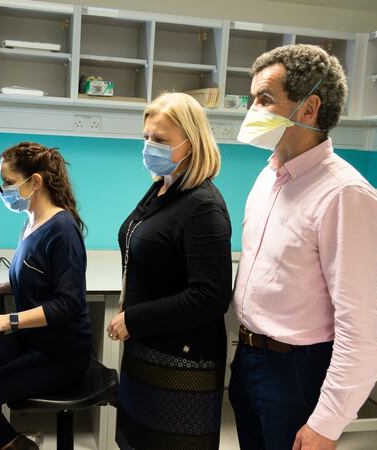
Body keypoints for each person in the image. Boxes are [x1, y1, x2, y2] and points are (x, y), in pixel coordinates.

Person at [230, 44, 377, 450]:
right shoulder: (270, 177)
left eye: (265, 100)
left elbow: (361, 327)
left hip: (296, 369)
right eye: (252, 100)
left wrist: (328, 422)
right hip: (248, 357)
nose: (252, 111)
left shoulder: (344, 194)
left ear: (309, 107)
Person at [106, 92, 232, 449]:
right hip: (147, 349)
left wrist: (135, 319)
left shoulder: (202, 205)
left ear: (191, 144)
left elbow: (210, 297)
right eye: (146, 138)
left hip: (182, 361)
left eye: (160, 140)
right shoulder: (162, 188)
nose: (149, 147)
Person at [0, 142, 91, 450]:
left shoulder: (63, 230)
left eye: (8, 183)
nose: (2, 191)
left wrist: (5, 321)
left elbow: (67, 304)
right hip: (33, 339)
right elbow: (37, 278)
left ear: (36, 182)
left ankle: (17, 446)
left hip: (60, 354)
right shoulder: (32, 220)